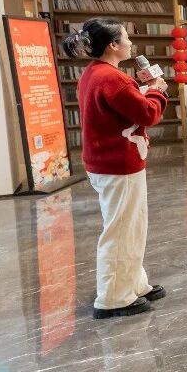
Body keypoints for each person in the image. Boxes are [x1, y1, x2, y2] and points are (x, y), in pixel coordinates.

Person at [60, 18, 168, 320]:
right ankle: (113, 297)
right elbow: (148, 113)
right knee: (121, 230)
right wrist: (157, 91)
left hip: (112, 161)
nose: (130, 43)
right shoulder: (113, 79)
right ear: (113, 45)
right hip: (118, 163)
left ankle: (133, 283)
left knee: (132, 226)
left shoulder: (95, 73)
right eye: (126, 38)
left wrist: (144, 91)